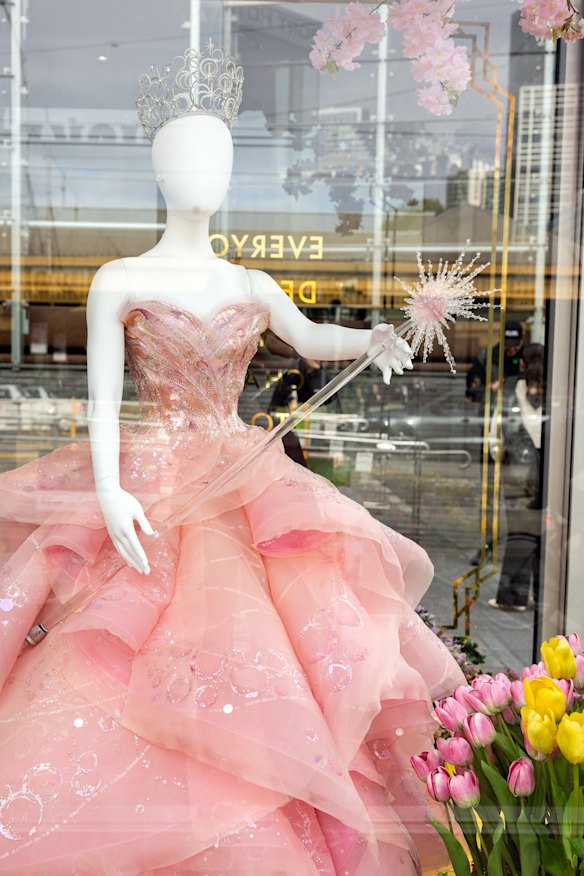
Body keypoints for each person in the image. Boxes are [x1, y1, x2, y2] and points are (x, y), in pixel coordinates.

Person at [0, 46, 464, 875]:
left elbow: (311, 338)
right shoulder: (119, 279)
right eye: (184, 156)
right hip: (151, 476)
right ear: (157, 168)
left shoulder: (249, 282)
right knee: (127, 638)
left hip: (239, 475)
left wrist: (374, 337)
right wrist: (107, 488)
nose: (200, 174)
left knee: (257, 639)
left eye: (215, 157)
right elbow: (102, 403)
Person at [487, 343, 544, 612]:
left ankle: (513, 597)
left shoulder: (510, 387)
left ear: (521, 363)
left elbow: (495, 436)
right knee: (548, 535)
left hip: (519, 472)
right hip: (551, 470)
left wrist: (501, 459)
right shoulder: (560, 387)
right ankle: (541, 596)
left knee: (520, 534)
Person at [465, 320, 524, 406]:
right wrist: (490, 388)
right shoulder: (487, 357)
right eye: (507, 345)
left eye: (515, 345)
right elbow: (472, 392)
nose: (511, 349)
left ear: (522, 341)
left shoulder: (528, 357)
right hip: (491, 406)